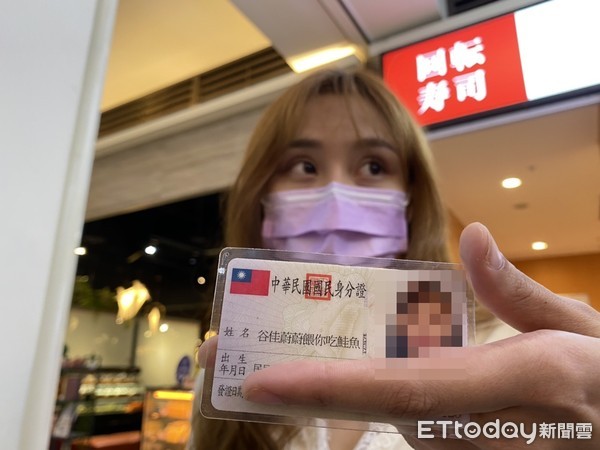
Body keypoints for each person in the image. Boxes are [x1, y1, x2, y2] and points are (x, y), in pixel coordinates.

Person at [191, 68, 600, 449]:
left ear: (410, 199)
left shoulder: (502, 352)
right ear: (261, 195)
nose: (337, 199)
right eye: (304, 165)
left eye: (373, 166)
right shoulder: (227, 370)